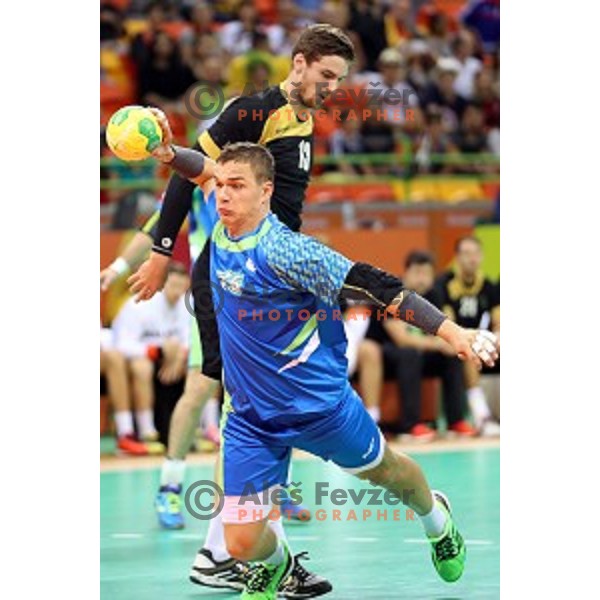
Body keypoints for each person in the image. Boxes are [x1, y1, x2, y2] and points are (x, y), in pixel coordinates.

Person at [130, 133, 498, 600]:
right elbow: (200, 169)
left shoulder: (288, 252)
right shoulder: (222, 220)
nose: (223, 193)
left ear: (266, 191)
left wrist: (452, 332)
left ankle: (436, 518)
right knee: (240, 542)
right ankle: (278, 564)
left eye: (236, 185)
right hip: (251, 419)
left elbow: (375, 285)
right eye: (221, 184)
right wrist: (168, 153)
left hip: (319, 407)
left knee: (390, 474)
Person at [104, 23, 355, 598]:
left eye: (338, 81)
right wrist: (161, 250)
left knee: (269, 410)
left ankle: (248, 547)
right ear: (298, 63)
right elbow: (186, 175)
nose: (331, 89)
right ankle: (220, 549)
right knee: (244, 410)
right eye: (325, 77)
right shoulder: (254, 111)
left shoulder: (304, 120)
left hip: (273, 279)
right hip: (233, 279)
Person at [360, 251, 475, 441]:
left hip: (421, 352)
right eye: (417, 273)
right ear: (406, 273)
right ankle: (410, 425)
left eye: (426, 274)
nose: (422, 279)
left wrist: (448, 344)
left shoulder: (434, 294)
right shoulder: (391, 293)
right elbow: (402, 338)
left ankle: (456, 421)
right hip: (385, 352)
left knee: (452, 353)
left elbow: (448, 324)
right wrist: (438, 344)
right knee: (409, 353)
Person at [112, 261, 191, 453]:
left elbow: (193, 338)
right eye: (173, 286)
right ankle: (147, 432)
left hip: (173, 361)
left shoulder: (189, 304)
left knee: (200, 365)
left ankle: (200, 429)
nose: (177, 292)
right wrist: (158, 351)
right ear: (162, 284)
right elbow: (121, 344)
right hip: (139, 360)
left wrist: (181, 355)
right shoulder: (138, 304)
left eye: (182, 287)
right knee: (142, 367)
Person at [437, 236, 500, 436]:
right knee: (467, 348)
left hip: (482, 339)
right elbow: (448, 324)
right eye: (466, 254)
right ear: (457, 258)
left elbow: (499, 320)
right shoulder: (444, 285)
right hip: (451, 340)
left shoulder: (489, 286)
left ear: (481, 257)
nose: (471, 259)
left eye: (475, 254)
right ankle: (481, 416)